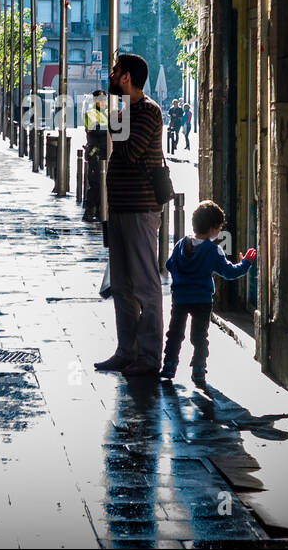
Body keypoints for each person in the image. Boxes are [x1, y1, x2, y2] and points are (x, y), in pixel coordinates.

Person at [94, 53, 166, 377]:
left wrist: (111, 119)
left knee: (146, 286)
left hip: (141, 209)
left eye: (115, 70)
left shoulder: (149, 112)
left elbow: (130, 151)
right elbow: (114, 148)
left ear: (126, 78)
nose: (111, 75)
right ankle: (127, 351)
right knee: (121, 285)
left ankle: (150, 357)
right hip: (121, 208)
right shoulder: (125, 112)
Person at [163, 201, 256, 387]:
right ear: (213, 228)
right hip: (202, 300)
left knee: (175, 333)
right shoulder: (213, 251)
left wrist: (182, 278)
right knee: (199, 336)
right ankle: (198, 370)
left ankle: (169, 365)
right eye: (220, 228)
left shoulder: (181, 244)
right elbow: (229, 272)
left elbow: (168, 264)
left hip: (180, 298)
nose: (220, 232)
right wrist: (245, 263)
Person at [82, 89, 110, 222]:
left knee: (105, 183)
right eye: (100, 99)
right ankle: (89, 210)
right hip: (95, 153)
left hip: (106, 153)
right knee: (95, 183)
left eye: (104, 99)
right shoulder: (91, 114)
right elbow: (96, 130)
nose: (103, 102)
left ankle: (100, 210)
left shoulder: (108, 114)